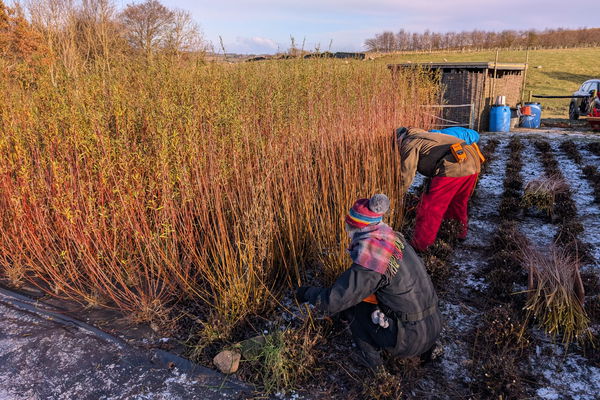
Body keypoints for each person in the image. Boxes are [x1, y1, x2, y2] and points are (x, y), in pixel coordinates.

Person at [295, 194, 442, 369]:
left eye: (349, 227)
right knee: (364, 299)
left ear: (357, 228)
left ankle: (376, 371)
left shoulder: (373, 256)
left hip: (412, 338)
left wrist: (305, 293)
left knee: (353, 308)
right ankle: (426, 350)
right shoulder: (393, 239)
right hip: (433, 326)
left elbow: (334, 301)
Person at [395, 126, 482, 252]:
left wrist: (398, 193)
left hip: (453, 165)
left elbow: (407, 174)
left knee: (431, 207)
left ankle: (420, 245)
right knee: (458, 202)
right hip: (472, 159)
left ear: (399, 138)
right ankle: (458, 232)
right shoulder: (424, 135)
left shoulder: (409, 142)